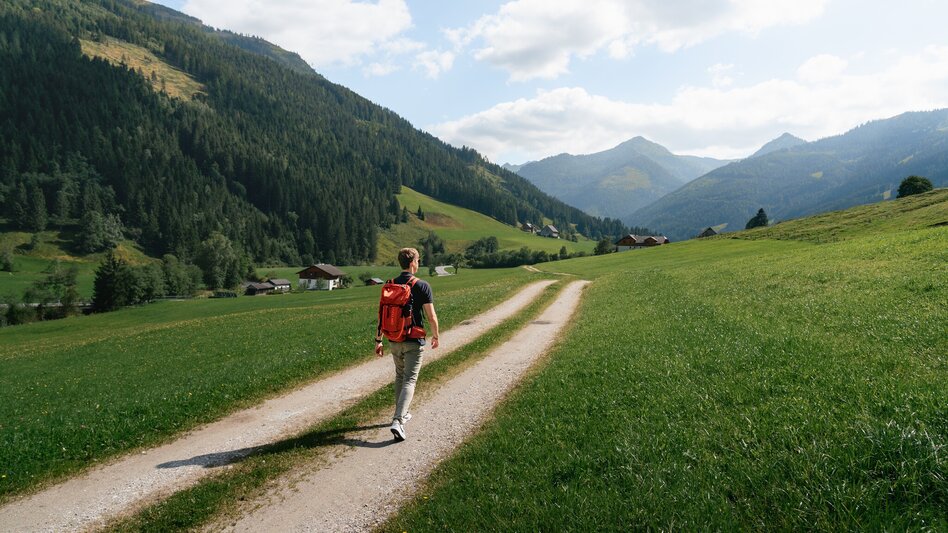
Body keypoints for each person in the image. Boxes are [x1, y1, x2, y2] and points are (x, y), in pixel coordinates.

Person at [375, 247, 440, 441]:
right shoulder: (422, 285)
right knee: (410, 380)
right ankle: (398, 421)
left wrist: (378, 340)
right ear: (412, 263)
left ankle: (401, 414)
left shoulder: (390, 284)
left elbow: (381, 314)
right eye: (418, 260)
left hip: (393, 339)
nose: (419, 264)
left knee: (400, 376)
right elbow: (431, 316)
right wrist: (436, 335)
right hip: (413, 340)